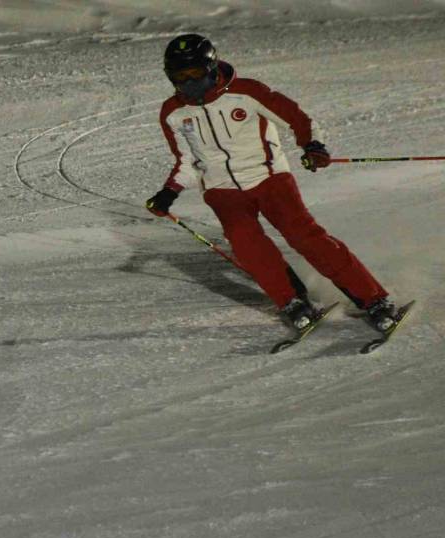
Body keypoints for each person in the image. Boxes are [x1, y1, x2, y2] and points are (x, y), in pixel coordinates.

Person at [146, 33, 398, 333]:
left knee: (304, 236)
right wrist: (169, 191)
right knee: (247, 246)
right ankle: (292, 301)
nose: (189, 83)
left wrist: (312, 145)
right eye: (180, 77)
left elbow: (296, 118)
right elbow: (186, 160)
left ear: (211, 68)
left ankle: (373, 299)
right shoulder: (173, 112)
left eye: (195, 73)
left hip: (269, 178)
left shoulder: (246, 92)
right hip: (221, 188)